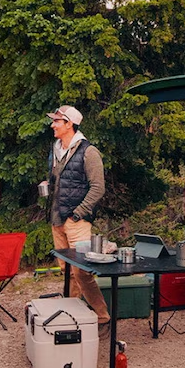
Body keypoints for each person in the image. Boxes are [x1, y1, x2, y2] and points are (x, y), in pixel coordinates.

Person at [46, 105, 110, 319]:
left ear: (69, 124)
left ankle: (102, 317)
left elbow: (98, 188)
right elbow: (65, 181)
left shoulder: (88, 152)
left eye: (57, 121)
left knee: (82, 272)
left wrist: (78, 213)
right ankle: (73, 316)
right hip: (57, 219)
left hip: (77, 221)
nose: (52, 124)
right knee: (66, 272)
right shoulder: (56, 149)